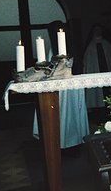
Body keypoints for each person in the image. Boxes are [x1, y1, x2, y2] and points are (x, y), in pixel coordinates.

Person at [33, 20, 89, 149]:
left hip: (72, 87)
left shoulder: (71, 48)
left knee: (71, 115)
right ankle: (59, 144)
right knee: (60, 116)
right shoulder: (53, 50)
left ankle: (73, 144)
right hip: (58, 88)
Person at [83, 24, 111, 123]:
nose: (98, 32)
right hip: (96, 75)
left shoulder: (107, 44)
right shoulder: (90, 46)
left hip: (107, 73)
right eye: (96, 30)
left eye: (99, 30)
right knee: (98, 96)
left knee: (109, 94)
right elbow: (87, 63)